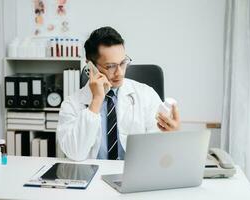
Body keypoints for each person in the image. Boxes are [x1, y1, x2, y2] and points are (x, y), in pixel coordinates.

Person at [57, 26, 180, 161]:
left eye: (123, 63)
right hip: (92, 176)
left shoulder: (146, 95)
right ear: (90, 66)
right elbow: (75, 154)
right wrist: (96, 101)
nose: (120, 73)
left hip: (135, 175)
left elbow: (158, 153)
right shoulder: (72, 103)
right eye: (110, 66)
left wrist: (170, 137)